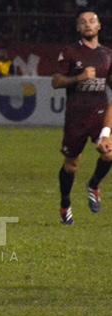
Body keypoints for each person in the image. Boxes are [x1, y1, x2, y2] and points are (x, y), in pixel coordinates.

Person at [51, 10, 112, 224]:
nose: (88, 24)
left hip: (99, 113)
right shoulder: (70, 52)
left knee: (109, 154)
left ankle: (94, 185)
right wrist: (79, 77)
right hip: (76, 117)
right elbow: (56, 81)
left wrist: (106, 130)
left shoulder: (107, 54)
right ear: (78, 28)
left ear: (99, 26)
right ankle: (65, 204)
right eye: (83, 22)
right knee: (71, 165)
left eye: (92, 21)